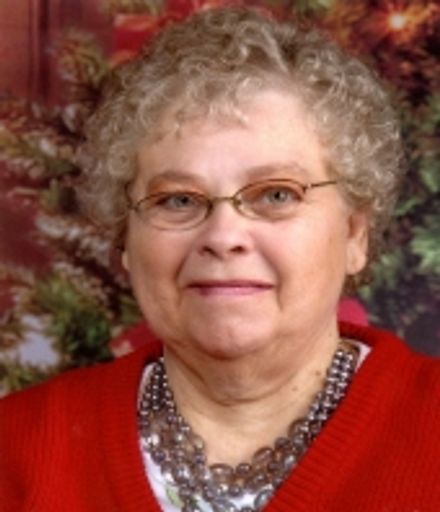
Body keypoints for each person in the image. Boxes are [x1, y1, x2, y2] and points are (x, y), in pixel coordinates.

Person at [1, 7, 439, 512]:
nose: (223, 236)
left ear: (354, 233)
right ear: (125, 239)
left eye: (276, 194)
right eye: (178, 200)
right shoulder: (17, 448)